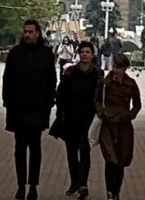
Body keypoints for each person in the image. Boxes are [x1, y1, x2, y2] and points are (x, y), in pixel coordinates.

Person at [1, 17, 59, 200]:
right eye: (25, 32)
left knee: (35, 148)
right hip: (18, 108)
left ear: (38, 33)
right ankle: (20, 185)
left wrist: (48, 103)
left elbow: (52, 81)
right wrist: (7, 102)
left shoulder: (46, 54)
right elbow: (7, 79)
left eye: (30, 32)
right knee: (19, 148)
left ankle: (33, 185)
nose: (27, 35)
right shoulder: (15, 54)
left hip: (37, 109)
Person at [51, 38, 102, 198]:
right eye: (82, 52)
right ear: (79, 54)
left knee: (84, 150)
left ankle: (83, 184)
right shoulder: (71, 72)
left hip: (88, 118)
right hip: (71, 117)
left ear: (93, 55)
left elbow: (101, 96)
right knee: (71, 151)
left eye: (88, 52)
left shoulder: (97, 74)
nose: (85, 54)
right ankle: (74, 182)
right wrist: (62, 111)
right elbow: (61, 93)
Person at [94, 54, 142, 198]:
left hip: (124, 126)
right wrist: (102, 112)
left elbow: (137, 104)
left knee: (121, 160)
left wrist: (130, 115)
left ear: (125, 69)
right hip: (108, 125)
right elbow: (96, 100)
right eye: (114, 66)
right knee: (110, 159)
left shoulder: (131, 84)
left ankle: (116, 191)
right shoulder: (104, 83)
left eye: (119, 67)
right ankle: (109, 191)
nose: (115, 70)